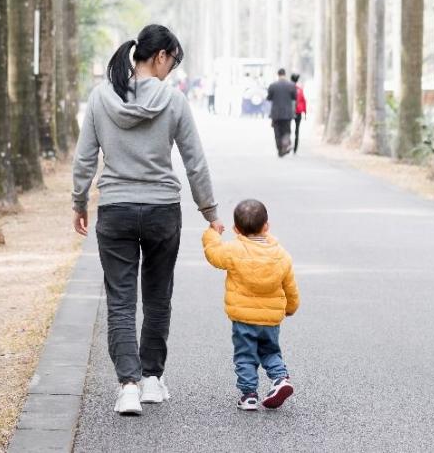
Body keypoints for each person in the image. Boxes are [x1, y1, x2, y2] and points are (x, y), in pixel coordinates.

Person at [72, 24, 225, 416]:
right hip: (161, 211)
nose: (172, 70)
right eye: (172, 61)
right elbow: (194, 160)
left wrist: (79, 201)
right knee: (158, 297)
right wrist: (210, 212)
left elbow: (85, 158)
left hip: (116, 210)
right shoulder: (173, 102)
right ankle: (153, 380)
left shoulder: (101, 98)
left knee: (121, 301)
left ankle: (128, 385)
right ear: (160, 56)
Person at [202, 199, 300, 411]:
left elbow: (213, 254)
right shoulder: (281, 254)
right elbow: (290, 286)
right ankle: (280, 378)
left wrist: (212, 233)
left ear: (236, 230)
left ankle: (249, 395)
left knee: (245, 356)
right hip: (271, 320)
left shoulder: (234, 250)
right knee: (270, 351)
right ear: (267, 225)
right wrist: (291, 307)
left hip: (244, 319)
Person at [266, 68, 297, 156]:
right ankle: (285, 145)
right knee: (286, 130)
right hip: (287, 112)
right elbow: (294, 97)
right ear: (285, 74)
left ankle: (280, 150)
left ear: (278, 74)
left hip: (276, 113)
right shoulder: (291, 85)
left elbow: (269, 98)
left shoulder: (273, 85)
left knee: (277, 132)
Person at [291, 73, 307, 154]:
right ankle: (295, 148)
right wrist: (304, 112)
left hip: (289, 112)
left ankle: (288, 144)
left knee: (288, 129)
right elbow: (304, 101)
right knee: (297, 130)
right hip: (298, 112)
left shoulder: (289, 89)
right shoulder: (299, 90)